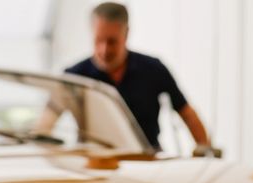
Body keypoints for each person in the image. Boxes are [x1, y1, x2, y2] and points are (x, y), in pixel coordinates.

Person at [38, 2, 215, 155]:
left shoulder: (154, 69)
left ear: (127, 33)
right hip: (92, 166)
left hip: (147, 163)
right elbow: (45, 126)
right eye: (98, 40)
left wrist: (205, 150)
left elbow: (188, 114)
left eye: (112, 41)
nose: (104, 50)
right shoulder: (73, 77)